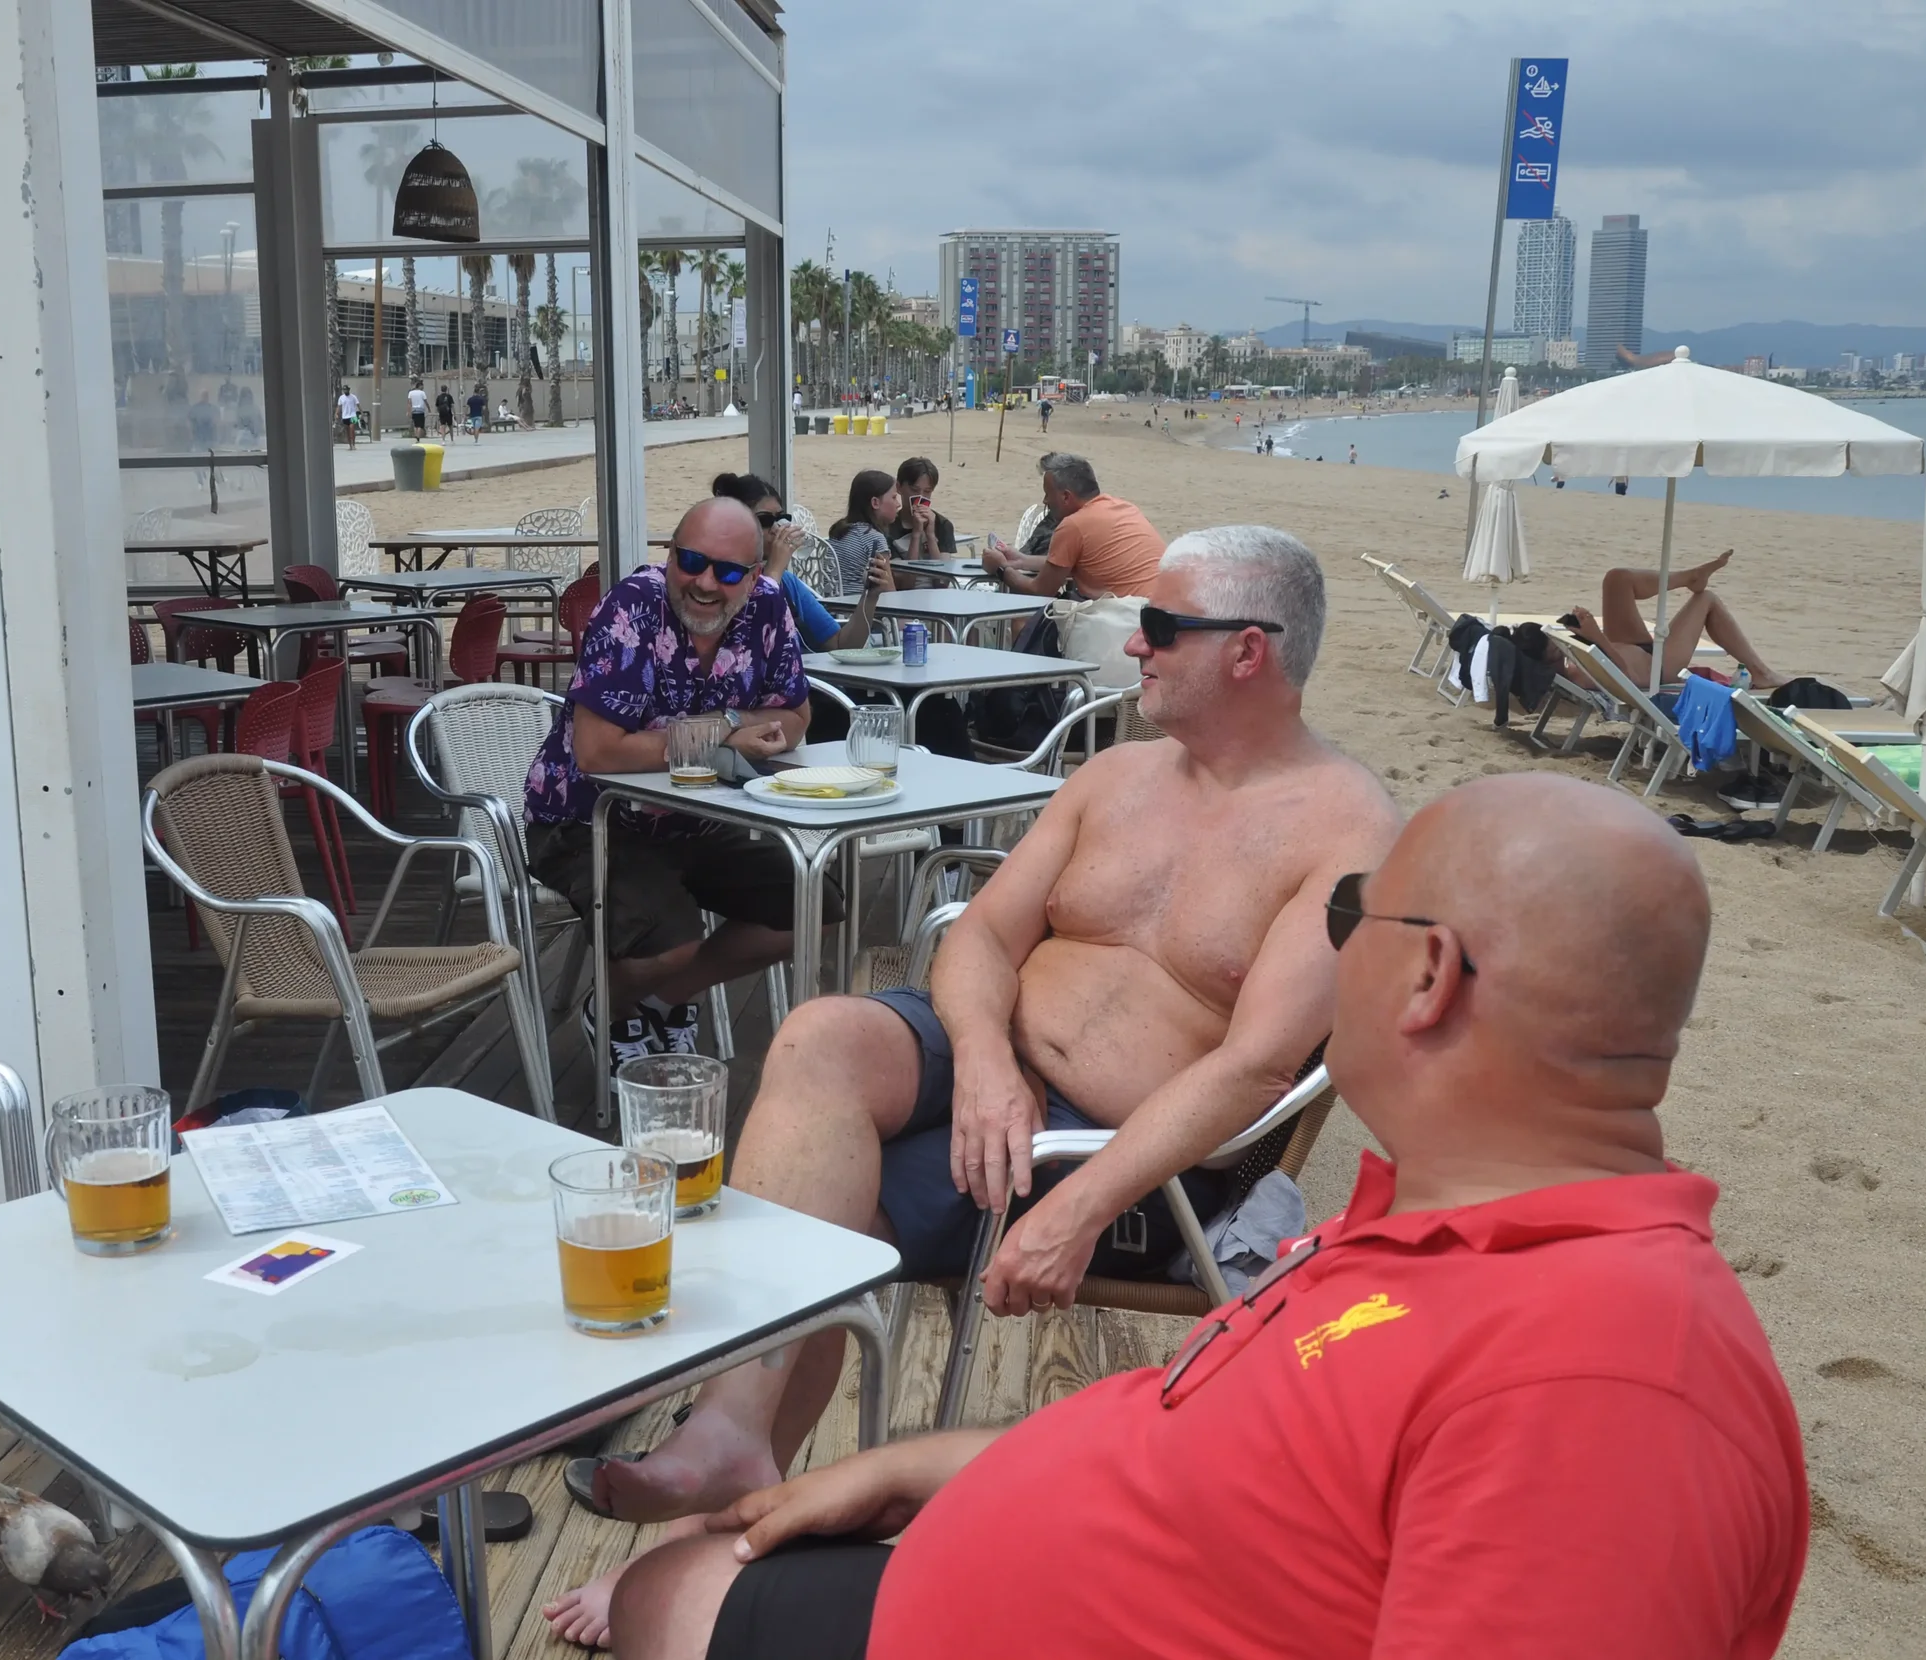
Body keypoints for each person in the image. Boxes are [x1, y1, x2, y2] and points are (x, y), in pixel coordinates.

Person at [600, 773, 1809, 1660]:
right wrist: (937, 1467)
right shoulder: (1459, 1231)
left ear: (1429, 976)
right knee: (678, 1582)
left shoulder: (1606, 1391)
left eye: (1351, 923)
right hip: (1026, 1564)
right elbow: (1245, 1482)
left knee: (673, 1598)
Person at [544, 527, 1398, 1648]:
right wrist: (986, 1063)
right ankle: (730, 1434)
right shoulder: (1114, 774)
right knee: (819, 1036)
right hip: (992, 1070)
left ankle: (717, 1528)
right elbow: (982, 935)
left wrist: (1082, 1205)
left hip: (1124, 1153)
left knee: (835, 1209)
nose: (1132, 642)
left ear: (1248, 651)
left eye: (1161, 627)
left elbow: (1258, 1069)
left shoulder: (1346, 830)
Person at [524, 497, 825, 1065]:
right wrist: (718, 737)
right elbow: (598, 752)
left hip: (701, 816)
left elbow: (795, 716)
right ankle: (616, 1010)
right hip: (587, 819)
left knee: (811, 906)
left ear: (754, 576)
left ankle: (659, 1002)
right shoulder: (632, 608)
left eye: (728, 571)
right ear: (669, 556)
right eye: (691, 561)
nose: (706, 582)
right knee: (672, 942)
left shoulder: (767, 608)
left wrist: (727, 724)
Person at [712, 473, 890, 654]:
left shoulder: (787, 583)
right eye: (765, 520)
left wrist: (870, 596)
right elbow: (749, 651)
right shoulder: (722, 582)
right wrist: (774, 569)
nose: (777, 528)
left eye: (781, 518)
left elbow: (841, 645)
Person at [1559, 550, 1780, 690]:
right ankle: (1762, 673)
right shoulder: (1577, 676)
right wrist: (1597, 636)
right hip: (1659, 668)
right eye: (1551, 648)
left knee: (1617, 578)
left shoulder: (1568, 662)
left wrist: (1586, 633)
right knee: (1706, 599)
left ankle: (1689, 576)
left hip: (1630, 647)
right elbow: (1627, 678)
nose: (1554, 646)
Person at [979, 452, 1164, 600]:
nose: (1045, 501)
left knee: (1024, 618)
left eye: (1047, 494)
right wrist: (1021, 560)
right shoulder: (1124, 508)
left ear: (1066, 496)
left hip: (1124, 621)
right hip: (1159, 613)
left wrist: (1001, 569)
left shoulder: (1073, 525)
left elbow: (1039, 590)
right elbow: (1065, 563)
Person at [825, 470, 902, 593]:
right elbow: (889, 591)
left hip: (832, 606)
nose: (898, 504)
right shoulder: (874, 539)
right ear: (875, 503)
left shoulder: (839, 531)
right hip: (860, 608)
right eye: (894, 497)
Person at [888, 457, 955, 562]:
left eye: (927, 491)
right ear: (899, 487)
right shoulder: (888, 526)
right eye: (914, 490)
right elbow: (905, 576)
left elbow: (942, 575)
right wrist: (916, 533)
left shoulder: (942, 524)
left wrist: (930, 536)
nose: (920, 497)